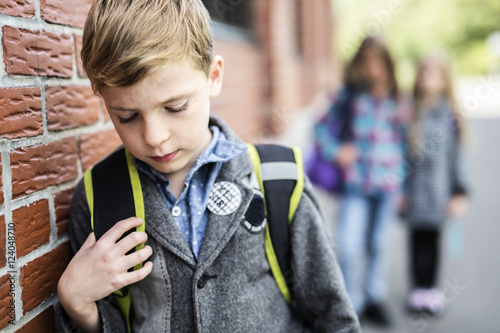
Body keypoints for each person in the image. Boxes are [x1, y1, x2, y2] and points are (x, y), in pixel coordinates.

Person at [54, 0, 360, 332]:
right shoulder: (100, 197)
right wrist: (78, 305)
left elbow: (333, 315)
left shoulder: (278, 180)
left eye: (175, 107)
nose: (154, 137)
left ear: (213, 77)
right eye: (127, 117)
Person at [313, 36, 406, 326]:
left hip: (388, 184)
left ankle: (374, 295)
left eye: (378, 62)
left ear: (388, 64)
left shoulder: (397, 96)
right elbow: (320, 128)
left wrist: (406, 184)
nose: (373, 69)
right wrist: (336, 151)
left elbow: (407, 141)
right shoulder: (349, 95)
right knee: (349, 245)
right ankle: (352, 301)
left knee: (378, 244)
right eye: (367, 62)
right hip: (355, 185)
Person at [403, 53, 468, 315]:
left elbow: (457, 158)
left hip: (439, 193)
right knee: (416, 241)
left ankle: (431, 290)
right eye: (425, 72)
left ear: (444, 79)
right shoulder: (409, 112)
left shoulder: (450, 117)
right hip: (415, 193)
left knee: (434, 242)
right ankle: (418, 291)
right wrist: (399, 188)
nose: (429, 79)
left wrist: (459, 191)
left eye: (436, 73)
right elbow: (400, 154)